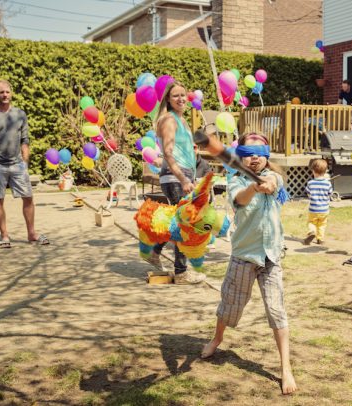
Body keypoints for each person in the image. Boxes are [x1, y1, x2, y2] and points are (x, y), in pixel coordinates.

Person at [200, 132, 297, 395]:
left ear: (266, 156)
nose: (254, 158)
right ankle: (217, 338)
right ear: (240, 156)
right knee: (230, 305)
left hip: (271, 256)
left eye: (259, 153)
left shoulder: (274, 176)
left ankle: (285, 367)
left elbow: (273, 184)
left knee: (277, 310)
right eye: (248, 153)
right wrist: (253, 187)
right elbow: (239, 201)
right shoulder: (236, 180)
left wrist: (265, 184)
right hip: (244, 255)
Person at [0, 79, 48, 248]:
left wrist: (25, 161)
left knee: (28, 198)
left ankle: (31, 234)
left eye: (7, 91)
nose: (5, 95)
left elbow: (25, 139)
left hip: (17, 164)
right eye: (1, 92)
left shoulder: (20, 114)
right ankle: (5, 236)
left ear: (11, 92)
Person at [150, 81, 205, 285]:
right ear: (168, 99)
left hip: (183, 175)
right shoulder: (169, 121)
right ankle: (181, 272)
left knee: (177, 221)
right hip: (175, 177)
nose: (181, 98)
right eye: (176, 96)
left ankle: (154, 252)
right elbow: (168, 153)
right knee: (185, 224)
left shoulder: (182, 120)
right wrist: (183, 179)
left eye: (183, 95)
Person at [303, 158, 332, 245]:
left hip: (313, 209)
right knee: (322, 224)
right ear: (325, 171)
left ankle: (312, 231)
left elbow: (308, 194)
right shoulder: (328, 183)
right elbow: (330, 194)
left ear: (313, 171)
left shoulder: (310, 183)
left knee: (311, 222)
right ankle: (320, 239)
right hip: (324, 210)